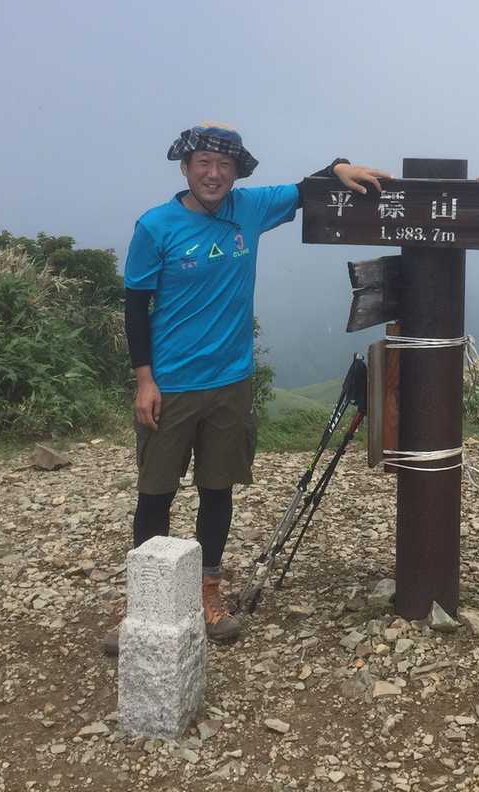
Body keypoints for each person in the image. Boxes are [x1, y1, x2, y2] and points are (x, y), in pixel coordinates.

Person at [102, 123, 387, 653]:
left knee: (218, 490)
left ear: (236, 172)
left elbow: (304, 190)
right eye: (203, 163)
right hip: (171, 383)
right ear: (185, 168)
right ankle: (147, 602)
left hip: (231, 382)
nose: (213, 174)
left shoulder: (248, 208)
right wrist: (144, 380)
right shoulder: (155, 226)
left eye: (224, 166)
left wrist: (339, 166)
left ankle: (207, 591)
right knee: (155, 492)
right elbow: (135, 307)